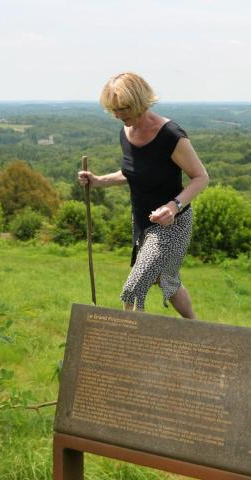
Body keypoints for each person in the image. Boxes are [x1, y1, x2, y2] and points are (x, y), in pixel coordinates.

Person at [78, 72, 209, 318]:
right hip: (141, 221)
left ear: (140, 101)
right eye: (113, 110)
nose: (118, 115)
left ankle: (128, 340)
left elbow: (201, 177)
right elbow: (133, 173)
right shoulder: (125, 133)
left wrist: (174, 206)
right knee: (165, 279)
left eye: (123, 108)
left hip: (172, 224)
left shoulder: (170, 135)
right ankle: (195, 326)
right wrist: (98, 181)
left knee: (133, 287)